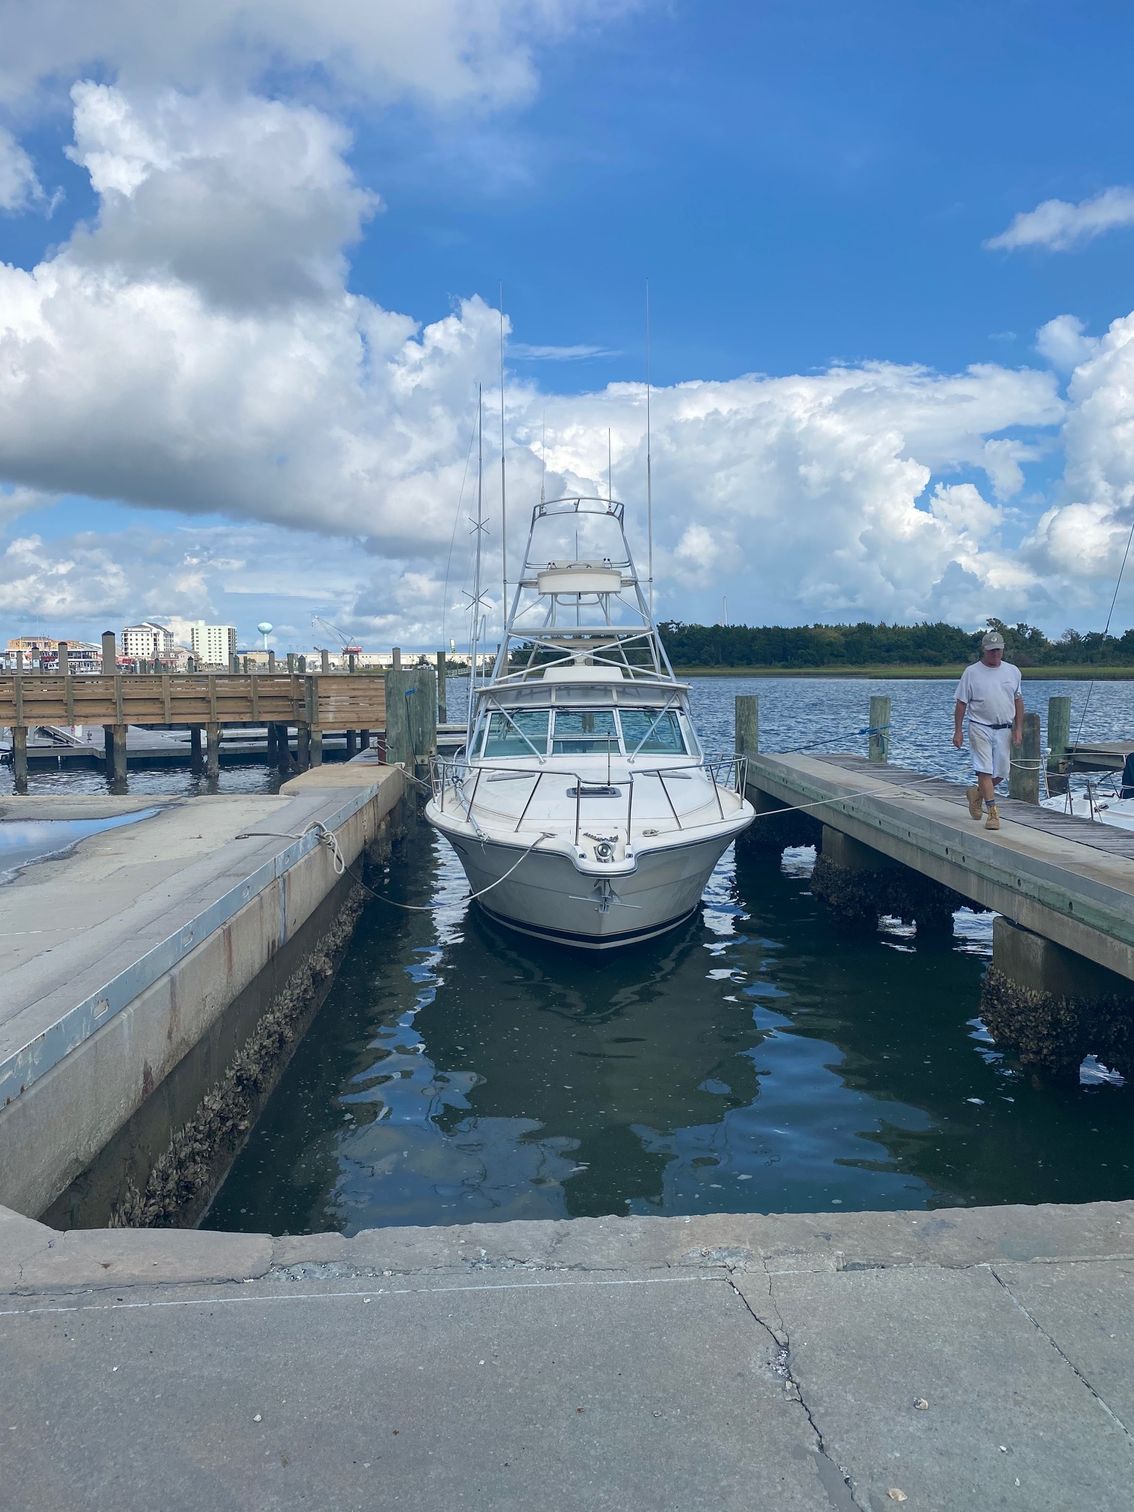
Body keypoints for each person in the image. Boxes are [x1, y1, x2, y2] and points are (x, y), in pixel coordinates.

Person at [952, 630, 1024, 831]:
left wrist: (1018, 728)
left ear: (1003, 650)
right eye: (991, 650)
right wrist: (958, 731)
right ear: (984, 650)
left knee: (1001, 772)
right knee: (983, 768)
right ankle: (992, 812)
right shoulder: (971, 672)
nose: (995, 654)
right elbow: (960, 704)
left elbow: (1018, 700)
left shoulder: (1013, 671)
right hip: (979, 726)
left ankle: (977, 794)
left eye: (998, 650)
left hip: (1004, 728)